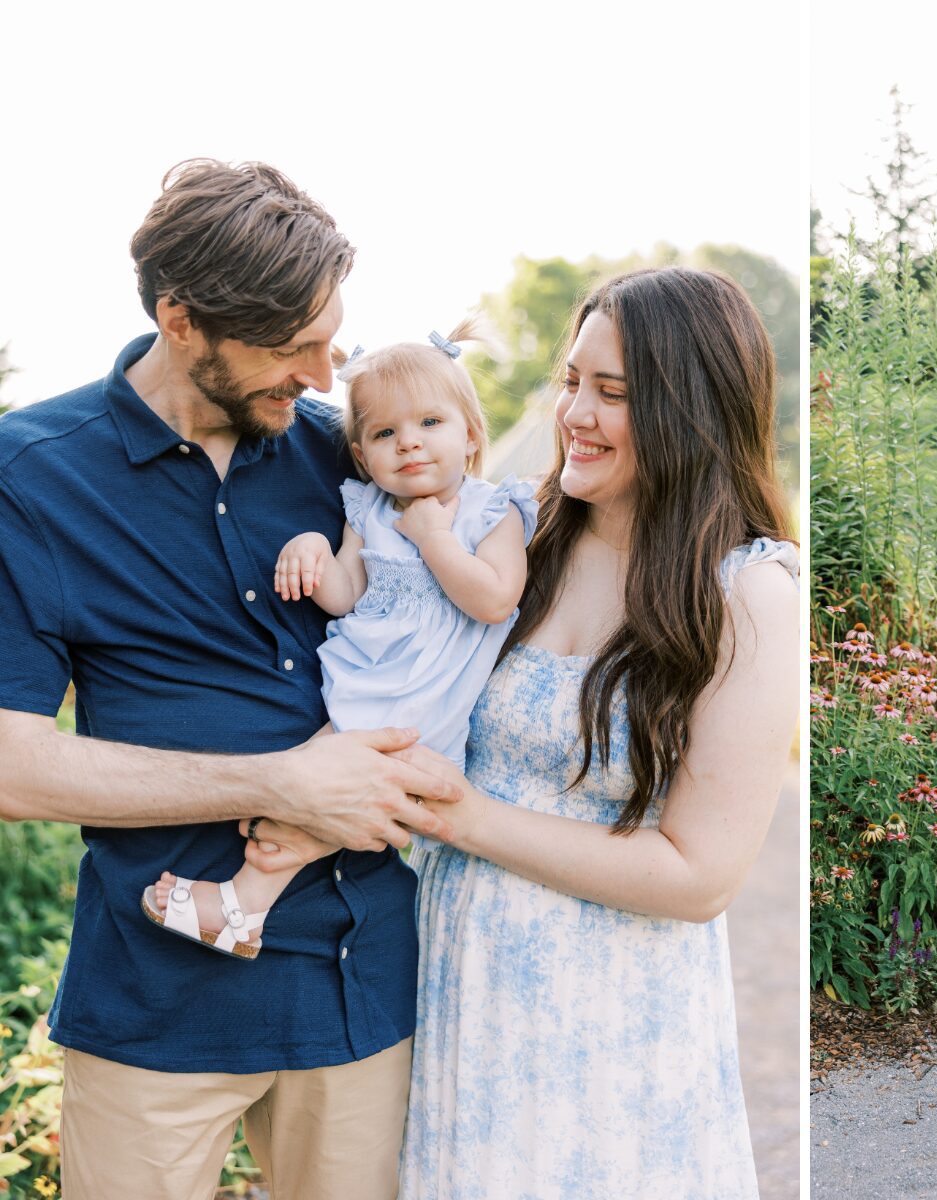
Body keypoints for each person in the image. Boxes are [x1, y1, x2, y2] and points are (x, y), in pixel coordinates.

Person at [245, 266, 800, 1196]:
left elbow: (699, 876)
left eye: (613, 392)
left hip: (619, 1019)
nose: (574, 412)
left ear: (692, 408)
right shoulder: (520, 537)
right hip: (460, 982)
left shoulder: (745, 592)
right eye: (573, 380)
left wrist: (462, 819)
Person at [0, 159, 462, 1200]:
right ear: (180, 317)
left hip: (359, 985)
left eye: (329, 336)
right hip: (153, 1004)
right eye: (287, 344)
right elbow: (12, 767)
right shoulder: (29, 480)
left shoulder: (348, 456)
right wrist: (275, 784)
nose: (320, 370)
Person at [142, 320, 537, 957]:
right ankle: (246, 907)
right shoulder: (368, 509)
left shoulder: (495, 511)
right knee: (310, 796)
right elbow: (348, 592)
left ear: (470, 434)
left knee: (319, 793)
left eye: (430, 424)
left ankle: (241, 904)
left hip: (419, 704)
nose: (409, 444)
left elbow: (494, 601)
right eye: (385, 433)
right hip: (366, 685)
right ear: (361, 455)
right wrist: (311, 552)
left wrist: (434, 537)